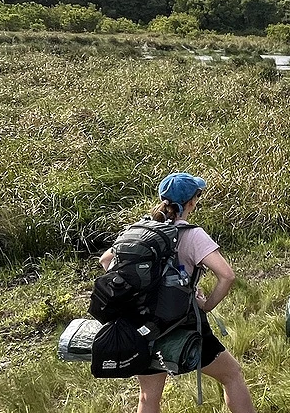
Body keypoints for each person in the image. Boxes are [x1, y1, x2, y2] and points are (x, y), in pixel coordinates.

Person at [99, 172, 255, 413]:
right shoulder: (192, 234)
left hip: (142, 324)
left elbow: (105, 260)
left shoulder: (141, 230)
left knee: (148, 398)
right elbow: (227, 276)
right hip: (182, 324)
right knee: (232, 374)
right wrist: (206, 305)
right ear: (191, 202)